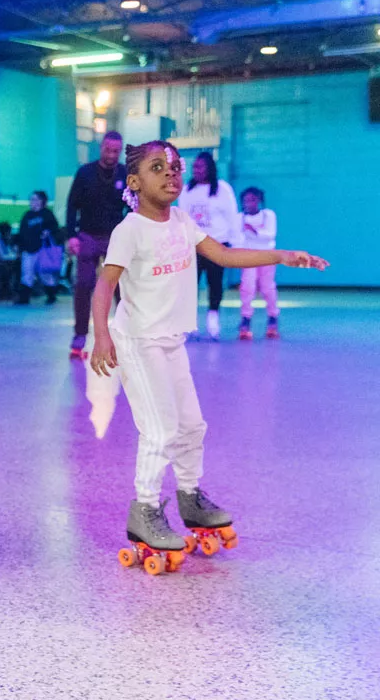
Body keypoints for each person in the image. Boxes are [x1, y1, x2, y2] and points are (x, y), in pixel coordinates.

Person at [88, 141, 326, 566]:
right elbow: (105, 284)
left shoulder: (181, 221)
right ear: (134, 182)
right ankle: (143, 510)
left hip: (171, 339)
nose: (171, 174)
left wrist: (282, 255)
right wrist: (102, 335)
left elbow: (225, 255)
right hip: (139, 341)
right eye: (157, 167)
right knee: (160, 430)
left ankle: (190, 498)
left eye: (176, 167)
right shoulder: (130, 229)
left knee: (192, 426)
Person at [65, 131, 127, 358]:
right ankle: (80, 335)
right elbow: (72, 205)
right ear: (101, 147)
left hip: (116, 238)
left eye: (115, 151)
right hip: (88, 236)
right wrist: (71, 235)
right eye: (107, 149)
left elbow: (133, 207)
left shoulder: (125, 173)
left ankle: (124, 335)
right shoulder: (85, 173)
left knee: (122, 287)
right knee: (83, 284)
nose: (111, 155)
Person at [178, 152, 239, 340]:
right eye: (194, 167)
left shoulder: (222, 189)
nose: (196, 170)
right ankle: (189, 322)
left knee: (215, 283)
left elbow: (232, 216)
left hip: (217, 243)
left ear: (210, 168)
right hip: (194, 245)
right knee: (189, 284)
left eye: (200, 167)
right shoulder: (187, 190)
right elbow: (182, 216)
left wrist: (236, 244)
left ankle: (213, 319)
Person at [236, 187, 280, 340]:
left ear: (259, 200)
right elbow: (237, 238)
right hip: (249, 256)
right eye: (246, 200)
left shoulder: (268, 215)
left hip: (267, 255)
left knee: (267, 287)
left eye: (253, 200)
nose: (250, 203)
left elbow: (270, 235)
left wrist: (254, 231)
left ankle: (273, 317)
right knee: (247, 287)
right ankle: (246, 319)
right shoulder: (239, 218)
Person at [15, 190, 62, 306]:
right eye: (31, 199)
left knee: (45, 273)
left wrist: (48, 232)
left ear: (42, 201)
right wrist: (20, 248)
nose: (32, 202)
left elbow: (55, 228)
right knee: (27, 273)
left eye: (35, 199)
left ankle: (51, 295)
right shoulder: (27, 216)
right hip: (28, 249)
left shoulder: (47, 214)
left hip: (42, 249)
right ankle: (24, 298)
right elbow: (22, 233)